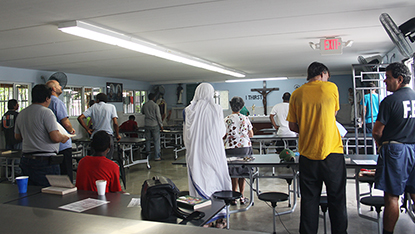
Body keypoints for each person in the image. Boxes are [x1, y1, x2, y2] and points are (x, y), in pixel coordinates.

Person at [287, 62, 347, 234]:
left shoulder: (296, 94)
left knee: (309, 200)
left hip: (307, 155)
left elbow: (292, 126)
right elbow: (333, 114)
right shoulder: (331, 88)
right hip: (333, 154)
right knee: (337, 199)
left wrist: (307, 128)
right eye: (327, 76)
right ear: (323, 73)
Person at [372, 63, 415, 234]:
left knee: (391, 196)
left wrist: (380, 145)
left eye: (388, 77)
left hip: (396, 151)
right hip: (413, 149)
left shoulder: (390, 101)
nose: (385, 80)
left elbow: (377, 131)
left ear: (400, 79)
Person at [183, 83, 231, 228]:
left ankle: (204, 219)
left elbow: (187, 135)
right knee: (216, 182)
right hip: (213, 152)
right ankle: (219, 218)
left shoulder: (188, 110)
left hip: (196, 154)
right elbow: (221, 132)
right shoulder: (216, 108)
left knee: (200, 180)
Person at [14, 84, 69, 186]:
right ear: (47, 98)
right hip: (45, 162)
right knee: (49, 195)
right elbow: (55, 137)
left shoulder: (22, 113)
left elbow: (17, 137)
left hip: (26, 159)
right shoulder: (47, 113)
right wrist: (64, 137)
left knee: (32, 193)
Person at [224, 96, 253, 205]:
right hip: (244, 147)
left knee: (233, 172)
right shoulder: (245, 118)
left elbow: (223, 135)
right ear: (241, 107)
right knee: (243, 171)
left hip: (230, 148)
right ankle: (242, 196)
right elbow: (251, 134)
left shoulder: (226, 119)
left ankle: (233, 196)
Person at [46, 80, 76, 182]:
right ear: (54, 89)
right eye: (59, 85)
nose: (61, 87)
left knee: (55, 175)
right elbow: (66, 123)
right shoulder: (57, 102)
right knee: (66, 173)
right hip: (63, 144)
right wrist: (71, 130)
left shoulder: (46, 103)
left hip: (50, 146)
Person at [77, 93, 121, 159]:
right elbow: (115, 123)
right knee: (107, 160)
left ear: (97, 100)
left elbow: (80, 118)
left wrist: (87, 129)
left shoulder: (93, 107)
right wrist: (117, 135)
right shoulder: (111, 107)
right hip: (107, 136)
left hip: (96, 136)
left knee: (95, 159)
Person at [141, 93, 163, 161]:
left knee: (147, 141)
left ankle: (148, 156)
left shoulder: (144, 105)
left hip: (147, 125)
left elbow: (142, 112)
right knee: (156, 141)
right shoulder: (155, 105)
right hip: (154, 125)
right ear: (154, 98)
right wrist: (161, 125)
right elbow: (158, 116)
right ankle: (157, 156)